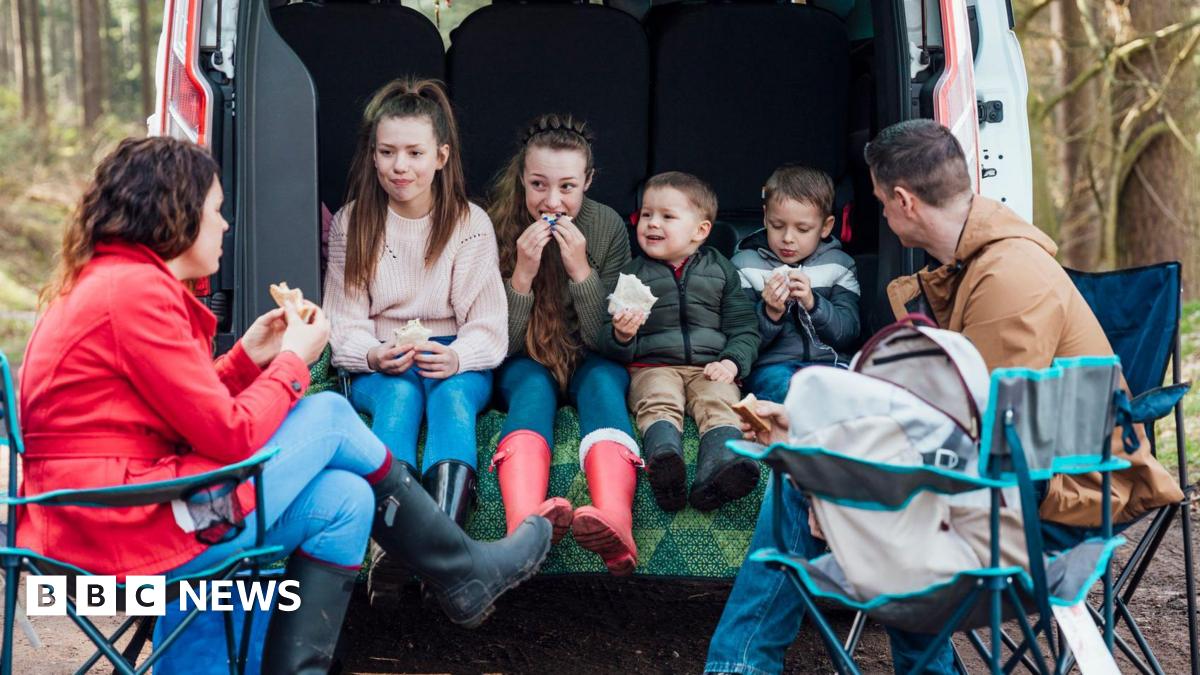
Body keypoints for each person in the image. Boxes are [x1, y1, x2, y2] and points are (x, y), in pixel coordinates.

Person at [16, 136, 550, 674]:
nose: (225, 225)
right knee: (330, 415)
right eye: (215, 211)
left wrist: (248, 357)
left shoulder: (119, 284)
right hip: (114, 531)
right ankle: (460, 570)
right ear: (173, 215)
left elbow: (181, 412)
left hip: (120, 509)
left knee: (345, 500)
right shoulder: (133, 294)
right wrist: (294, 362)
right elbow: (228, 437)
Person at [704, 118, 1183, 674]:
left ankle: (739, 666)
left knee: (801, 481)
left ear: (904, 201)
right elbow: (932, 411)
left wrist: (836, 482)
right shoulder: (972, 267)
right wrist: (802, 424)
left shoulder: (1008, 279)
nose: (883, 214)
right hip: (1018, 468)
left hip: (1058, 492)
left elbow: (982, 442)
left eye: (882, 202)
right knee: (809, 463)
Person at [322, 79, 508, 596]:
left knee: (451, 401)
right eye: (387, 152)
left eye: (414, 153)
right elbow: (343, 322)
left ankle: (442, 553)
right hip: (382, 359)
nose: (399, 166)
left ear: (441, 156)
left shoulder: (470, 223)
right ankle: (392, 552)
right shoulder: (353, 223)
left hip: (453, 357)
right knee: (400, 398)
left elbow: (489, 327)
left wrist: (458, 359)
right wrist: (373, 354)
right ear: (372, 155)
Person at [488, 114, 643, 575]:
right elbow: (501, 346)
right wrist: (522, 274)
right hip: (524, 358)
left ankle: (616, 518)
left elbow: (607, 339)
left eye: (567, 188)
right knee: (531, 391)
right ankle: (523, 527)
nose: (551, 201)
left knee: (603, 384)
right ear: (522, 178)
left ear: (588, 182)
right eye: (538, 185)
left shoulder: (607, 226)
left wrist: (581, 272)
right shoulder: (496, 224)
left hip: (588, 356)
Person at [595, 171, 761, 513]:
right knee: (658, 399)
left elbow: (744, 326)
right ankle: (664, 461)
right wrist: (622, 334)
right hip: (653, 365)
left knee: (720, 401)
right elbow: (603, 336)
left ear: (700, 231)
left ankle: (719, 469)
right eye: (646, 215)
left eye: (667, 216)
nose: (652, 224)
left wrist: (731, 361)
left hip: (709, 365)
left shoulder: (721, 271)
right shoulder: (632, 275)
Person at [731, 164, 860, 403]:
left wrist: (813, 304)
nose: (788, 238)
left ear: (826, 227)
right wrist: (769, 313)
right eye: (777, 226)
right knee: (786, 388)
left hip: (830, 363)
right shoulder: (744, 266)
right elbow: (740, 339)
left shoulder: (839, 266)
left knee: (845, 393)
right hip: (772, 366)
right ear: (765, 218)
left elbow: (848, 332)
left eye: (803, 229)